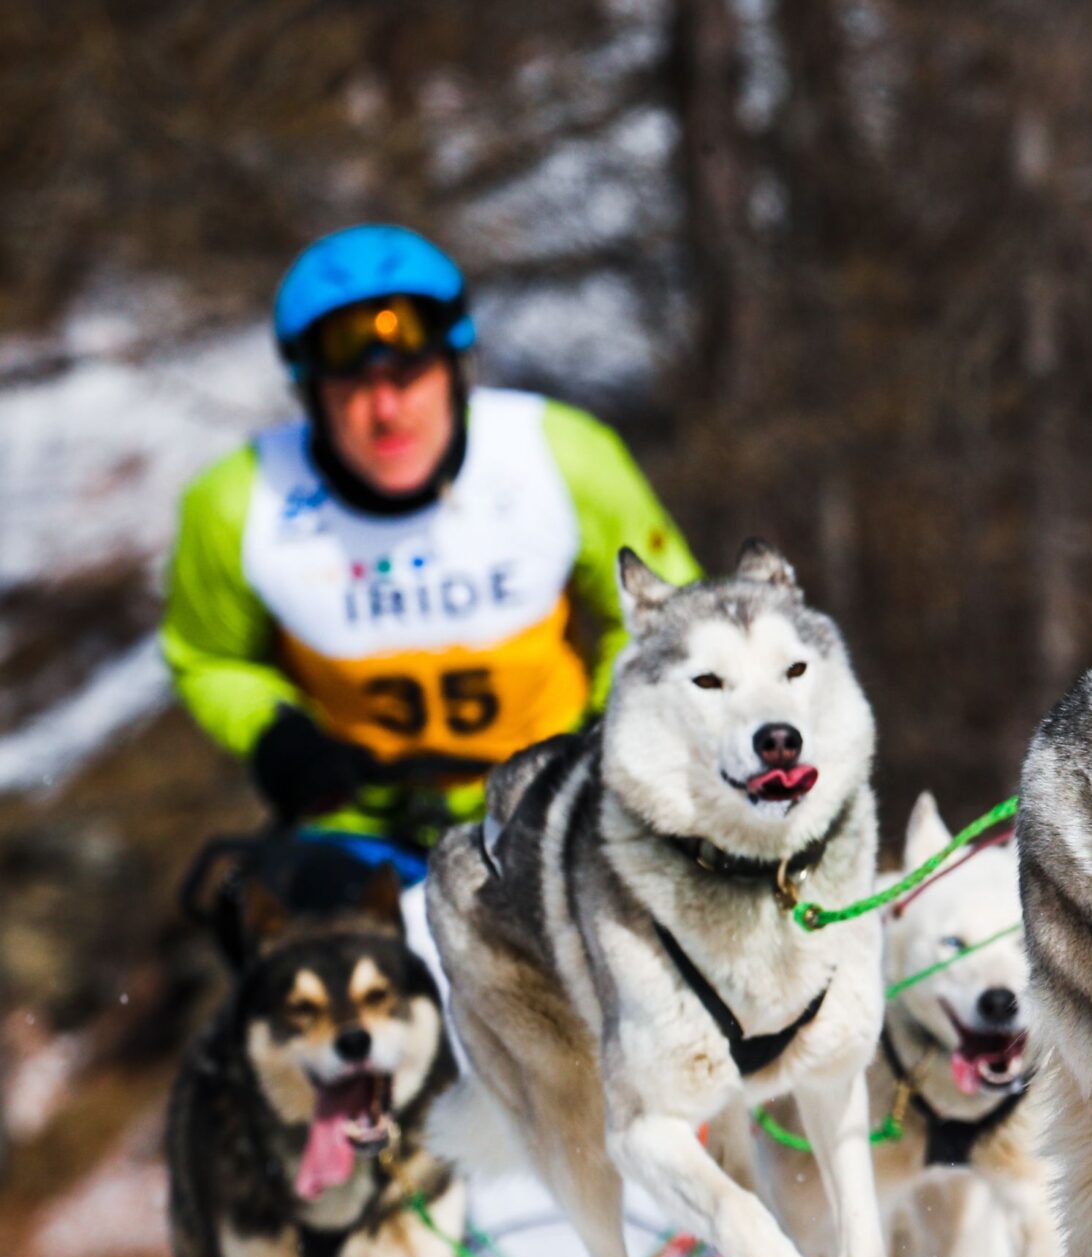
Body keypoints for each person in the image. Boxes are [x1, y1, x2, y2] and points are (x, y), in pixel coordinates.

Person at [161, 225, 701, 877]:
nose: (385, 411)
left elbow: (671, 614)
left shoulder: (564, 456)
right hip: (357, 835)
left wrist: (608, 726)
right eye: (352, 386)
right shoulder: (234, 504)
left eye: (408, 374)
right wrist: (274, 733)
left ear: (454, 368)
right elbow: (207, 658)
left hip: (556, 805)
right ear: (309, 393)